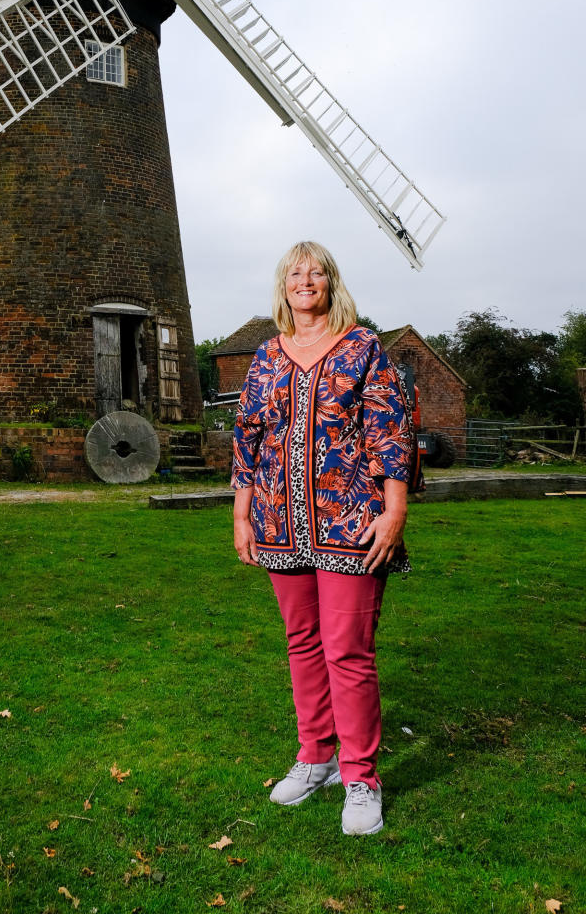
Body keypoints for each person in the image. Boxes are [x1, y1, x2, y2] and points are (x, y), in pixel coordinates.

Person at [231, 240, 412, 836]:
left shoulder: (363, 348)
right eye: (294, 273)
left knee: (348, 650)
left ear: (331, 283)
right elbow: (247, 439)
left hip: (351, 520)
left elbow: (390, 430)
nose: (304, 281)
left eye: (315, 273)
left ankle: (360, 777)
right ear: (284, 286)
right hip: (280, 521)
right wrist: (242, 514)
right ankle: (317, 756)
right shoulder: (264, 357)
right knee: (302, 642)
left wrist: (394, 510)